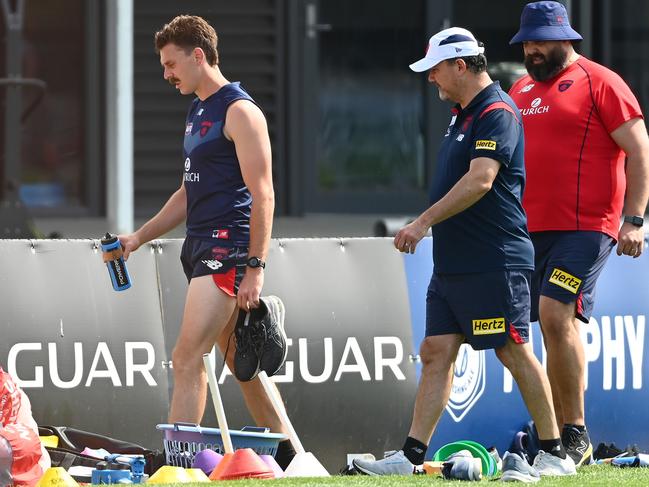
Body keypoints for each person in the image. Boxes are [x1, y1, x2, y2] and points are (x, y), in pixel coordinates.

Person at [351, 27, 576, 479]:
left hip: (494, 258)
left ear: (460, 65)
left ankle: (555, 453)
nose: (430, 78)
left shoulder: (497, 111)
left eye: (435, 69)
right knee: (436, 350)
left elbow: (481, 180)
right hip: (455, 263)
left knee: (511, 349)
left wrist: (422, 222)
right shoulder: (461, 114)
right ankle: (411, 457)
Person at [118, 15, 295, 468]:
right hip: (200, 248)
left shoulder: (240, 110)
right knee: (243, 368)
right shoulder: (197, 111)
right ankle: (294, 458)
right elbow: (187, 193)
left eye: (171, 63)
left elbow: (264, 194)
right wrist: (138, 237)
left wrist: (256, 268)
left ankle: (177, 466)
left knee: (185, 356)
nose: (166, 74)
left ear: (199, 56)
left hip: (228, 251)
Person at [508, 1, 649, 467]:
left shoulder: (601, 81)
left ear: (566, 37)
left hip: (588, 227)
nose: (532, 49)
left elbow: (639, 148)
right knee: (536, 327)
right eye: (527, 41)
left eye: (541, 40)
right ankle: (554, 433)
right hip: (529, 229)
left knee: (555, 312)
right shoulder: (521, 88)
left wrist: (635, 218)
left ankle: (575, 433)